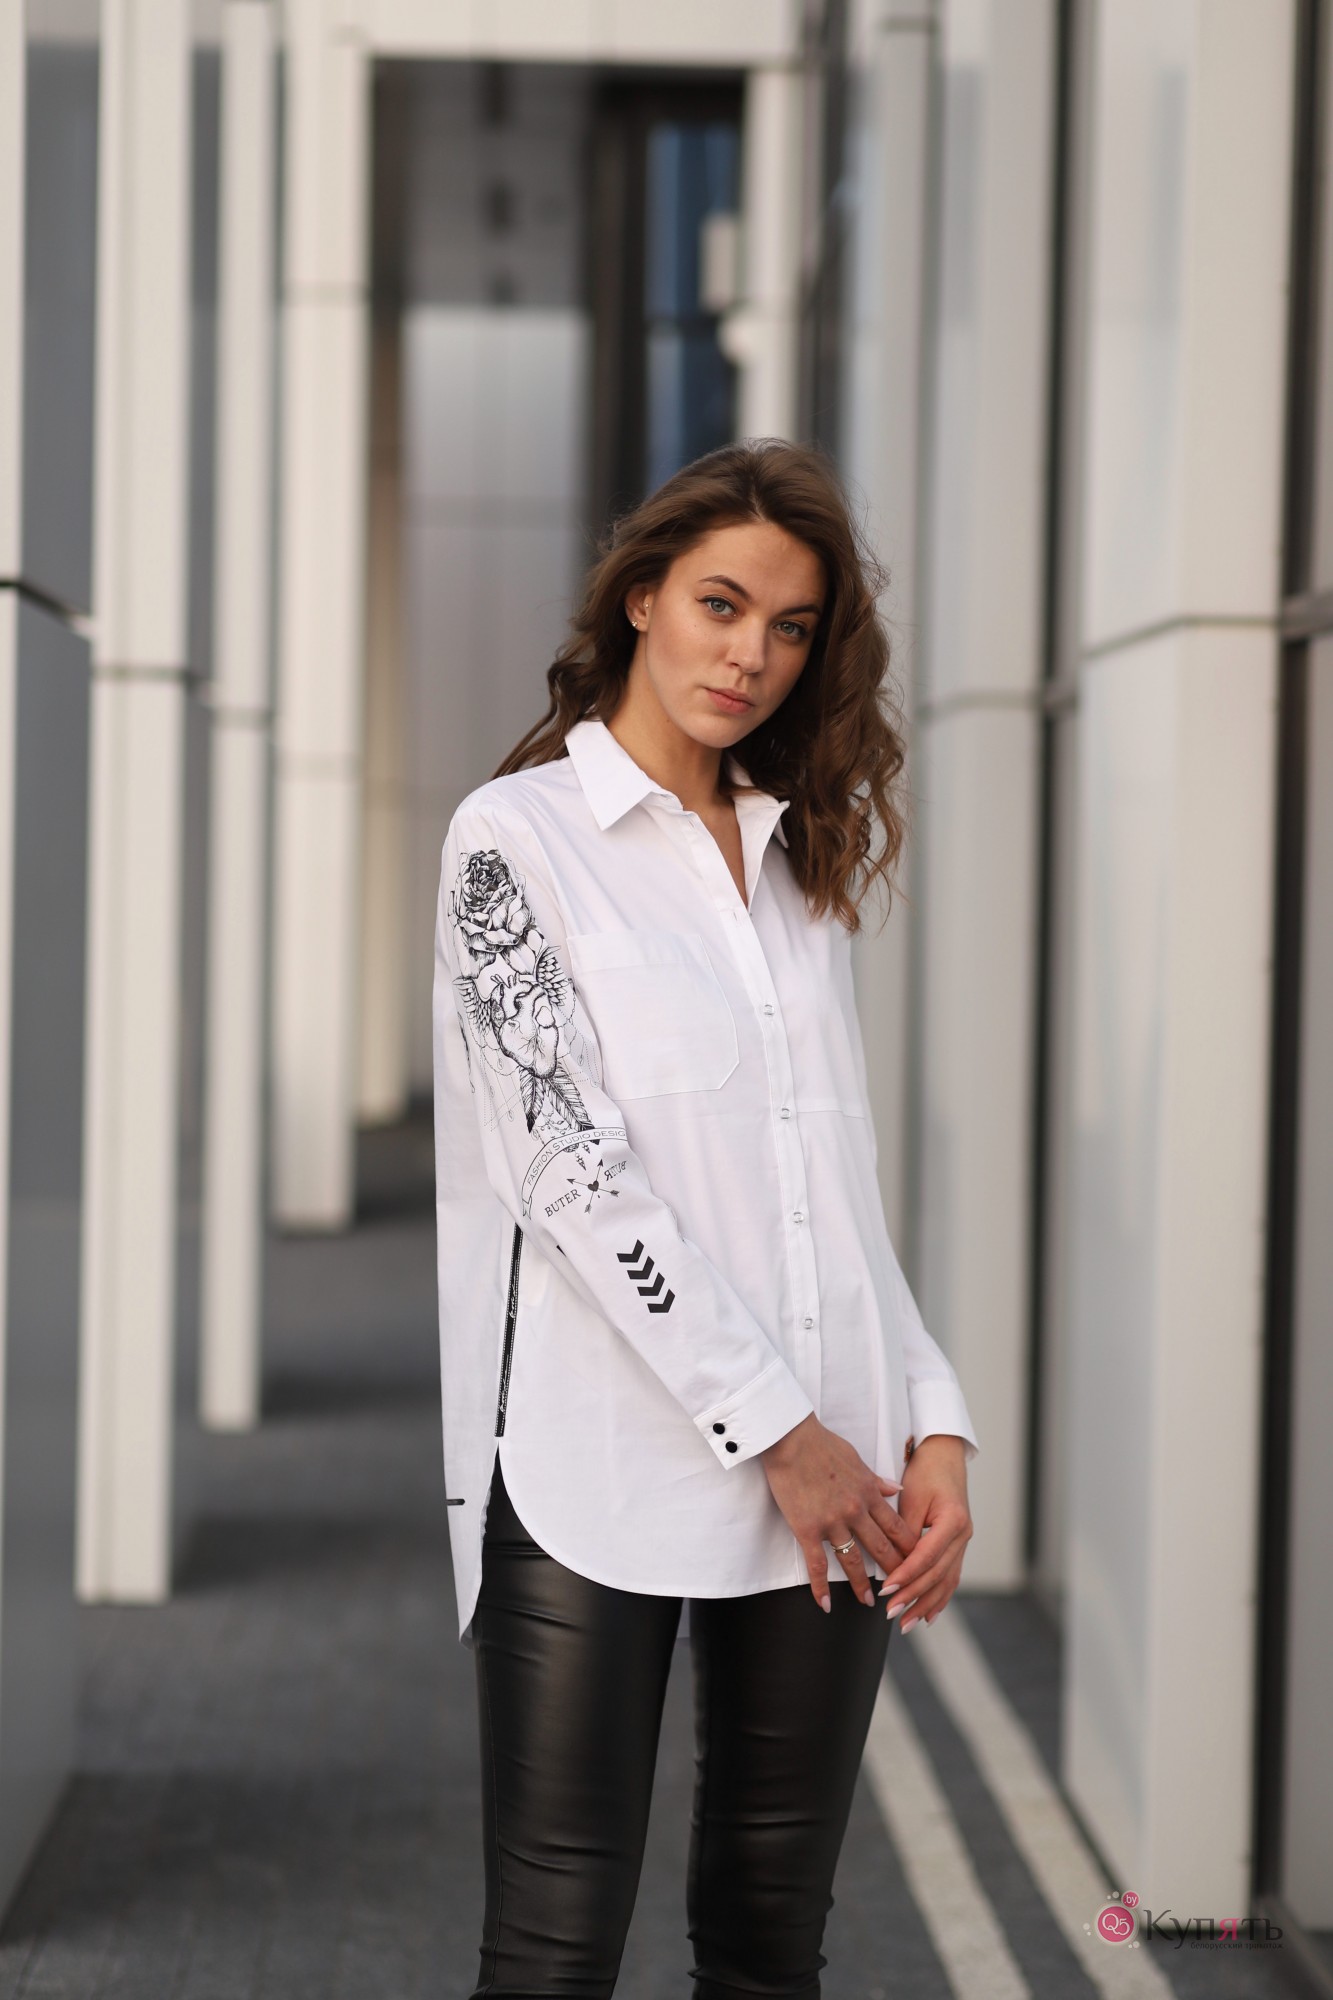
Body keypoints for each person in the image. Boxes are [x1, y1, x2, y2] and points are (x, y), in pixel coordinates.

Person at [432, 438, 979, 1998]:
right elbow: (568, 1175)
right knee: (551, 1959)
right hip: (601, 1459)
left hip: (836, 1461)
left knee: (766, 1949)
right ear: (640, 599)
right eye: (720, 605)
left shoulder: (797, 859)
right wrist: (779, 1434)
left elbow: (833, 1192)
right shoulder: (512, 839)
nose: (749, 654)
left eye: (790, 627)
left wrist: (929, 1416)